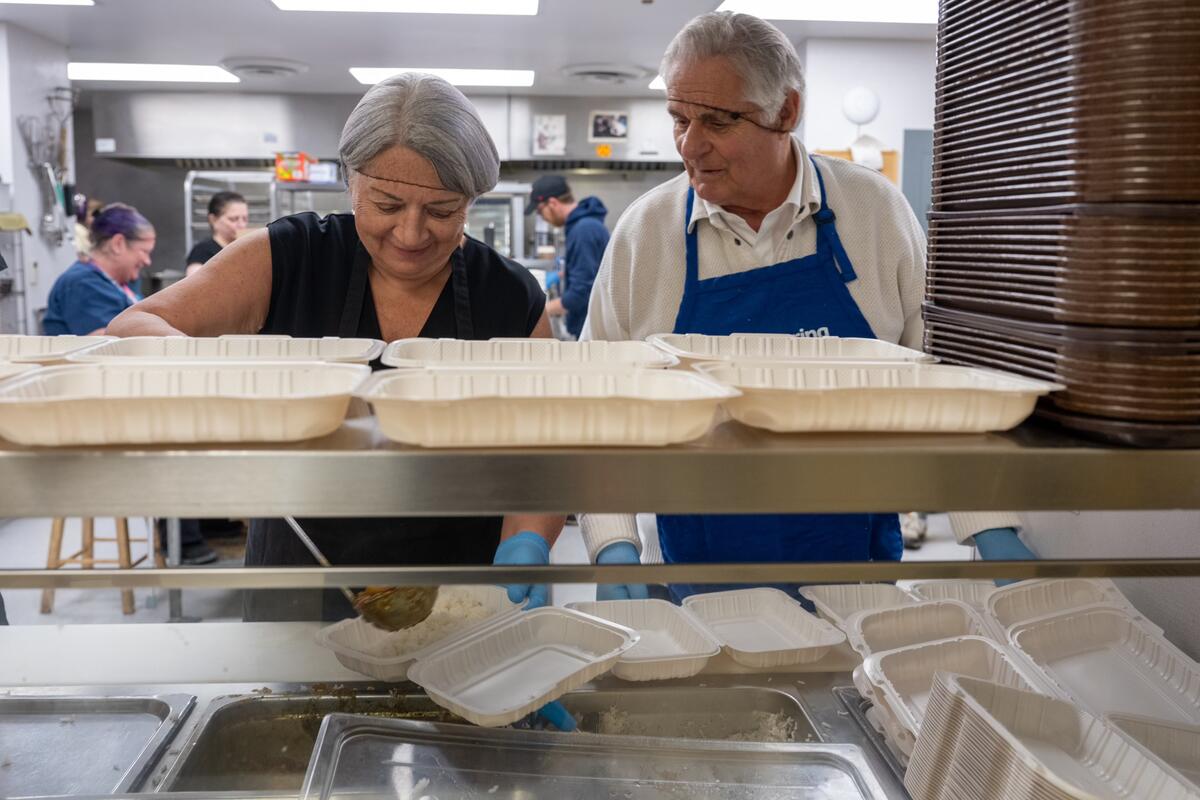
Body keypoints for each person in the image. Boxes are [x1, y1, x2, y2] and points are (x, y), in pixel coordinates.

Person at [579, 11, 1035, 602]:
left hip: (854, 575)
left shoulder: (875, 214)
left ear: (786, 112)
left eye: (718, 120)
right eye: (679, 119)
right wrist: (613, 545)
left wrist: (989, 523)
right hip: (696, 579)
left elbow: (943, 386)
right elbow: (599, 404)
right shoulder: (644, 236)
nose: (691, 145)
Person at [108, 73, 567, 625]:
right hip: (299, 581)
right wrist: (232, 380)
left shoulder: (508, 294)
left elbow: (544, 450)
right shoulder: (289, 256)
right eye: (387, 205)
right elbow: (134, 325)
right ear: (351, 182)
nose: (411, 233)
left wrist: (527, 542)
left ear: (471, 200)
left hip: (458, 589)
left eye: (442, 211)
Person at [43, 203, 153, 335]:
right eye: (144, 252)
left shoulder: (122, 282)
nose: (148, 261)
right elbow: (107, 339)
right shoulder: (83, 283)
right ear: (118, 244)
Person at [528, 175, 608, 339]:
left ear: (552, 203)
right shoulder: (582, 226)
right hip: (587, 324)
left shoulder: (584, 230)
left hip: (592, 330)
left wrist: (539, 312)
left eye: (540, 211)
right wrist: (564, 273)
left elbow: (581, 292)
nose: (542, 217)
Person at [186, 191, 249, 275]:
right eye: (233, 219)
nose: (241, 225)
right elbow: (194, 280)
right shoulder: (202, 251)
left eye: (245, 219)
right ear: (213, 220)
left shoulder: (245, 250)